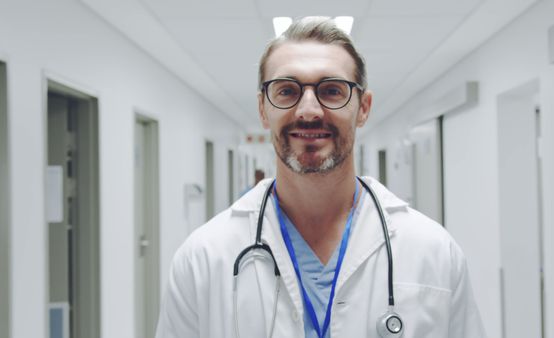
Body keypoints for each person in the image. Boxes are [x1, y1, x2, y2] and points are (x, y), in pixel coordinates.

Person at [155, 17, 486, 338]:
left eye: (331, 90)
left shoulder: (434, 252)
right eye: (286, 91)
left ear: (364, 107)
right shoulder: (202, 258)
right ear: (262, 109)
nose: (309, 110)